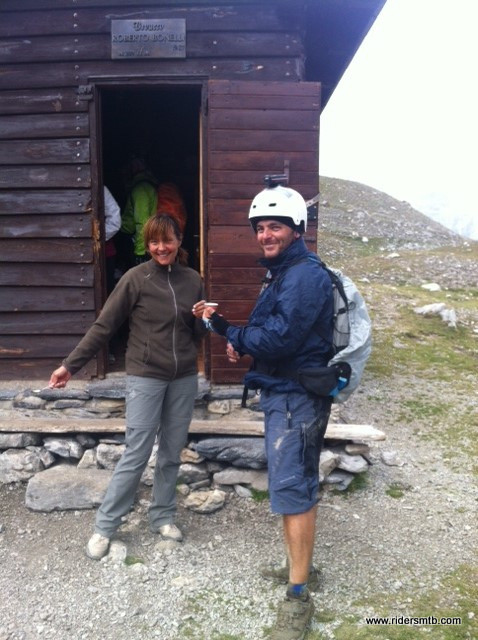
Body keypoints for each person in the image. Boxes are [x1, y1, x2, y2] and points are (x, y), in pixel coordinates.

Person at [202, 185, 335, 640]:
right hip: (285, 391)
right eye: (260, 228)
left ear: (297, 229)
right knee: (293, 483)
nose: (265, 235)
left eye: (274, 226)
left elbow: (279, 340)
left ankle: (299, 596)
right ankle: (299, 568)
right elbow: (267, 330)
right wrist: (234, 334)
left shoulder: (304, 276)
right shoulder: (284, 273)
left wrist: (235, 336)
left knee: (293, 488)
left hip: (297, 397)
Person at [49, 214, 207, 560]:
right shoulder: (136, 279)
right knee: (136, 452)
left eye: (167, 240)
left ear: (180, 241)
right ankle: (105, 526)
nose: (161, 247)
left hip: (183, 379)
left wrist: (202, 321)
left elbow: (197, 334)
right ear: (147, 244)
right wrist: (69, 366)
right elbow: (104, 326)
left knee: (170, 453)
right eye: (153, 241)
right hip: (145, 376)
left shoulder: (193, 280)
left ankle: (163, 516)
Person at [118, 156, 158, 267]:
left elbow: (142, 221)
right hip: (138, 238)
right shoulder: (144, 185)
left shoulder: (140, 189)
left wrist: (140, 252)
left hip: (134, 239)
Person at [103, 185, 121, 295]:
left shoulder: (100, 189)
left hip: (104, 252)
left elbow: (115, 220)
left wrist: (98, 238)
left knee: (107, 291)